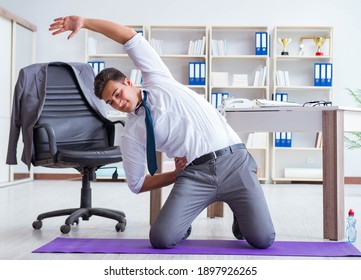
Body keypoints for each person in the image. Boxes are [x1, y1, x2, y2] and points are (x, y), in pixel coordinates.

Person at [49, 16, 275, 249]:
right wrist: (175, 175)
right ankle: (184, 217)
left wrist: (85, 22)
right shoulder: (131, 134)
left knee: (263, 240)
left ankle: (241, 211)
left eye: (117, 94)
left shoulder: (158, 79)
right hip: (196, 175)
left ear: (128, 81)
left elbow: (128, 36)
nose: (117, 103)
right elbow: (136, 184)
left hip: (235, 163)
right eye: (110, 102)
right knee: (161, 239)